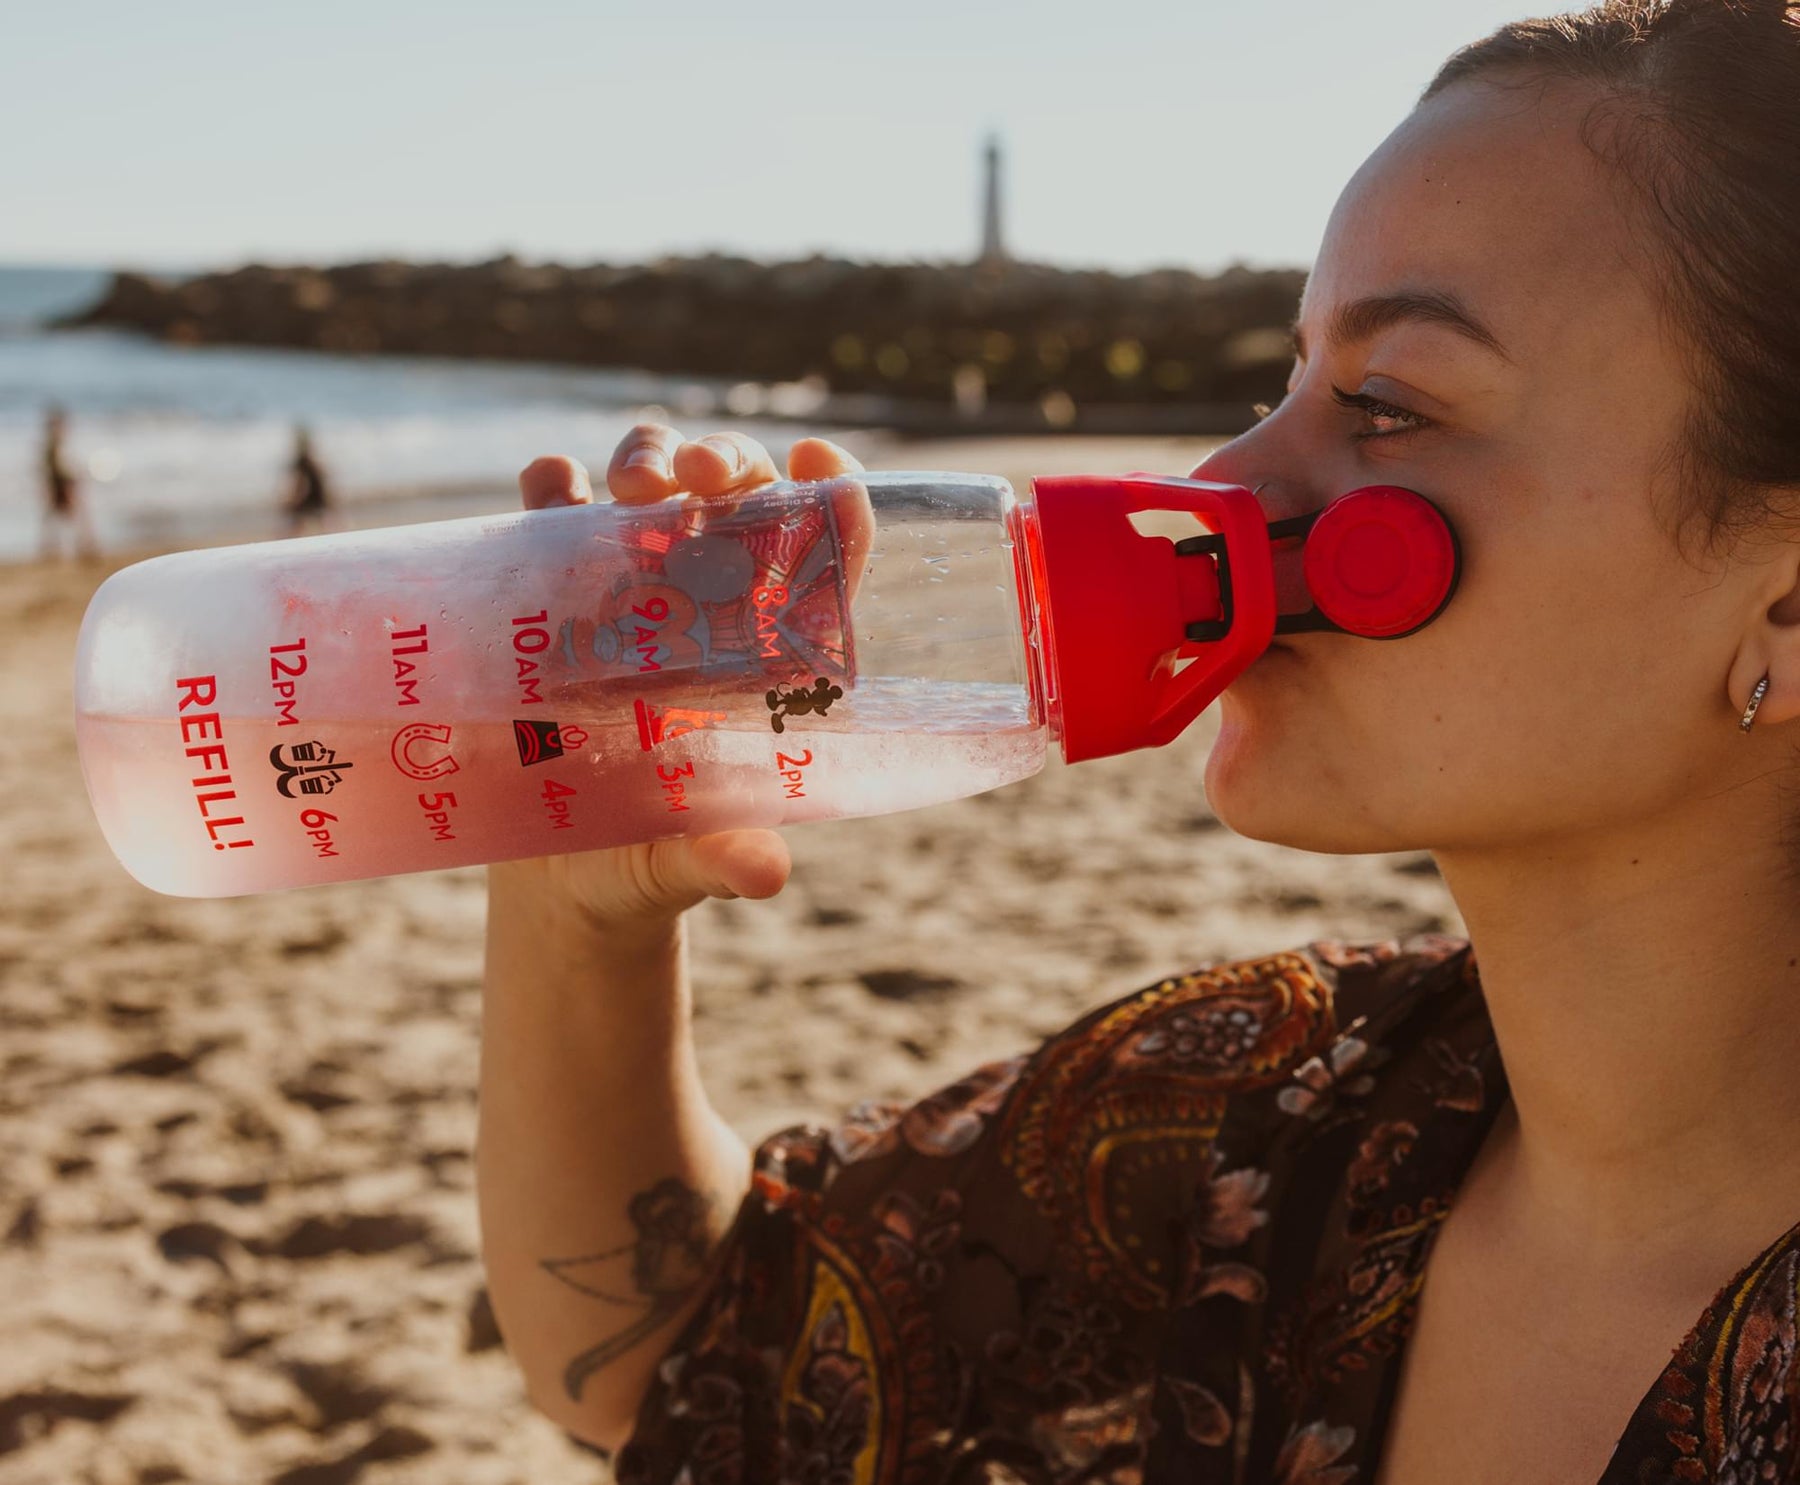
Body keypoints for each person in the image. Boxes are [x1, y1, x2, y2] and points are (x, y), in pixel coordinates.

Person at [477, 2, 1800, 1480]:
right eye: (1281, 384)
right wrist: (579, 897)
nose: (1225, 475)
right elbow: (678, 1365)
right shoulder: (1271, 1126)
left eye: (1390, 404)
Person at [39, 406, 99, 561]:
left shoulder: (52, 446)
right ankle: (85, 544)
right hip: (63, 486)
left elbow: (48, 469)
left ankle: (59, 546)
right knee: (79, 515)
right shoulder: (53, 447)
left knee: (55, 518)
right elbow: (55, 470)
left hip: (61, 485)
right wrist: (72, 479)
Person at [284, 425, 336, 535]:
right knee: (324, 523)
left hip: (313, 498)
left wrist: (293, 500)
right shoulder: (312, 462)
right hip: (319, 497)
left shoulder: (302, 462)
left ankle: (287, 540)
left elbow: (301, 485)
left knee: (296, 521)